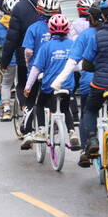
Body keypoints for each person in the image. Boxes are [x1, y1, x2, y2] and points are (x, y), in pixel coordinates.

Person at [54, 0, 108, 170]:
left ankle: (90, 141)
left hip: (99, 85)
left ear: (103, 16)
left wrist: (93, 68)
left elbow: (87, 61)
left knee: (89, 111)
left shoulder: (96, 37)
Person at [0, 0, 53, 110]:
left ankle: (27, 118)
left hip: (26, 59)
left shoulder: (20, 6)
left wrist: (4, 62)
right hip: (50, 57)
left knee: (23, 88)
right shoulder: (54, 3)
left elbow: (12, 39)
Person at [25, 14, 80, 148]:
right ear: (67, 30)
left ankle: (42, 130)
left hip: (49, 86)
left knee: (39, 105)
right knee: (66, 109)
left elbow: (36, 69)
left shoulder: (46, 47)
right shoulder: (72, 45)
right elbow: (78, 67)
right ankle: (72, 133)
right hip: (67, 86)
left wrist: (28, 86)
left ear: (50, 29)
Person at [20, 0, 60, 147]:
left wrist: (28, 63)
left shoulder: (33, 28)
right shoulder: (59, 27)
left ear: (38, 10)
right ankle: (54, 127)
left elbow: (28, 51)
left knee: (31, 100)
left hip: (36, 70)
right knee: (50, 100)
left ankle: (29, 132)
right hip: (53, 71)